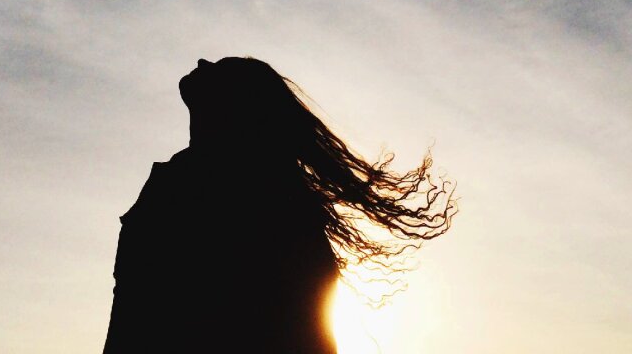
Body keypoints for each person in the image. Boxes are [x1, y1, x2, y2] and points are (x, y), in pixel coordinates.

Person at [101, 56, 456, 353]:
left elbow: (297, 316)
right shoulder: (190, 178)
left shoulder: (240, 191)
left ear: (235, 103)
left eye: (222, 68)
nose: (201, 62)